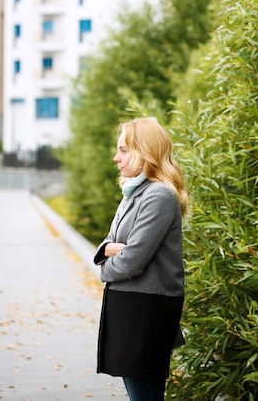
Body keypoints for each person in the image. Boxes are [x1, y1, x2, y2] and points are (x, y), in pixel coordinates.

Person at [94, 117, 188, 401]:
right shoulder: (133, 192)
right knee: (137, 389)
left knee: (144, 393)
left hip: (148, 305)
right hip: (130, 301)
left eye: (123, 150)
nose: (116, 158)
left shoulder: (158, 195)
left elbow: (133, 260)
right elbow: (107, 243)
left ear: (144, 151)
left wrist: (110, 262)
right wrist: (112, 250)